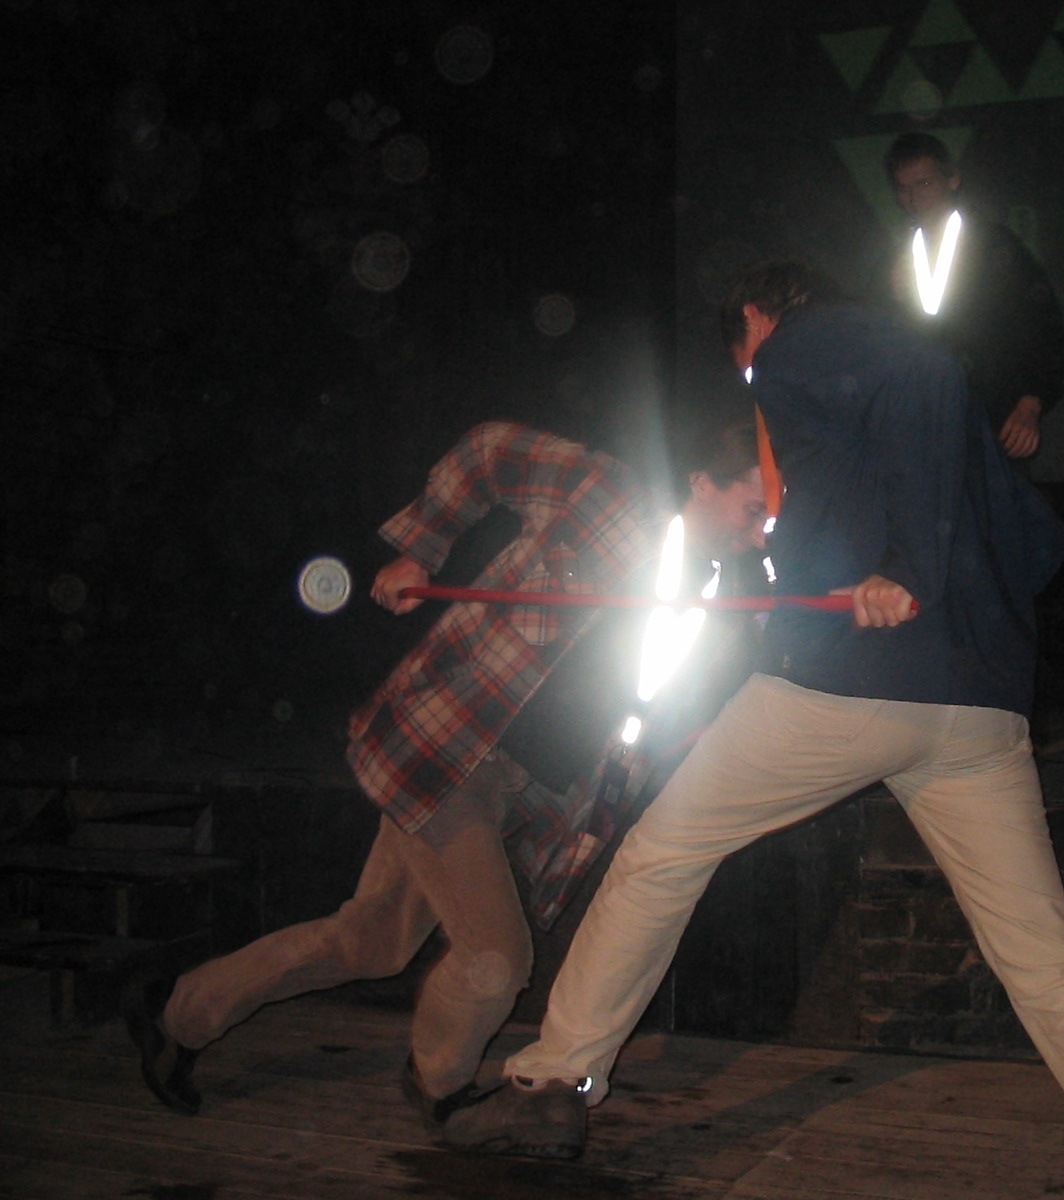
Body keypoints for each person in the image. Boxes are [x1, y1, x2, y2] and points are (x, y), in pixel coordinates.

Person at [460, 261, 1064, 1200]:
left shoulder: (803, 342)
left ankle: (551, 1084)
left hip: (848, 688)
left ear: (756, 315)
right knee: (1051, 965)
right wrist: (956, 609)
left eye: (743, 356)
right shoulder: (931, 417)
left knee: (661, 854)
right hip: (979, 712)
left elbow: (924, 375)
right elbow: (1042, 540)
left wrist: (908, 571)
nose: (753, 380)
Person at [123, 415, 768, 1147]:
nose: (758, 535)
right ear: (702, 483)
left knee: (371, 941)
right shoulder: (607, 494)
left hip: (536, 791)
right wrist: (419, 551)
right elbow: (487, 451)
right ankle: (441, 1087)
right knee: (497, 957)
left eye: (768, 522)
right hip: (449, 748)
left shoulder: (722, 596)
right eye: (752, 511)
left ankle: (175, 1013)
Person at [874, 131, 1064, 462]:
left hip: (994, 425)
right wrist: (891, 300)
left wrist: (1030, 404)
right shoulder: (890, 259)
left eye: (925, 183)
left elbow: (1045, 332)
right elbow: (875, 348)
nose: (914, 198)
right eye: (903, 189)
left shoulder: (996, 247)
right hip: (921, 434)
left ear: (953, 179)